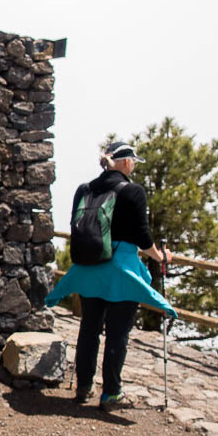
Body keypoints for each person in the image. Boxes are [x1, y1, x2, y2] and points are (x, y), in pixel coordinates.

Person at [46, 141, 177, 412]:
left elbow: (76, 227)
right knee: (117, 333)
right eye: (134, 163)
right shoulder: (133, 192)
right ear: (127, 162)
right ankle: (111, 393)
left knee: (89, 328)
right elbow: (142, 236)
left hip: (89, 268)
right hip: (121, 273)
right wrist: (161, 257)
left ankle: (83, 386)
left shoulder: (85, 189)